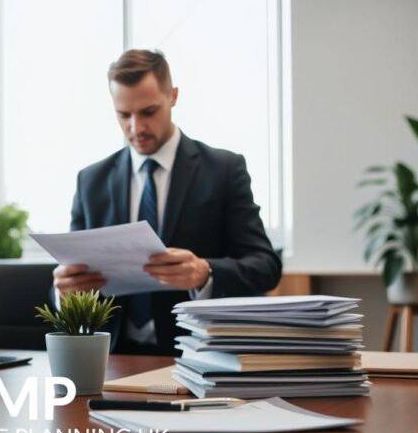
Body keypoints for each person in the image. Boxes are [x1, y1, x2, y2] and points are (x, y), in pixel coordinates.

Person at [53, 49, 282, 355]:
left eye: (148, 112)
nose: (136, 128)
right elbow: (74, 269)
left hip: (198, 356)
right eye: (124, 115)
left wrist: (205, 272)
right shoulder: (90, 181)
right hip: (110, 359)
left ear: (173, 96)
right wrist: (65, 291)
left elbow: (265, 266)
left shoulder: (223, 170)